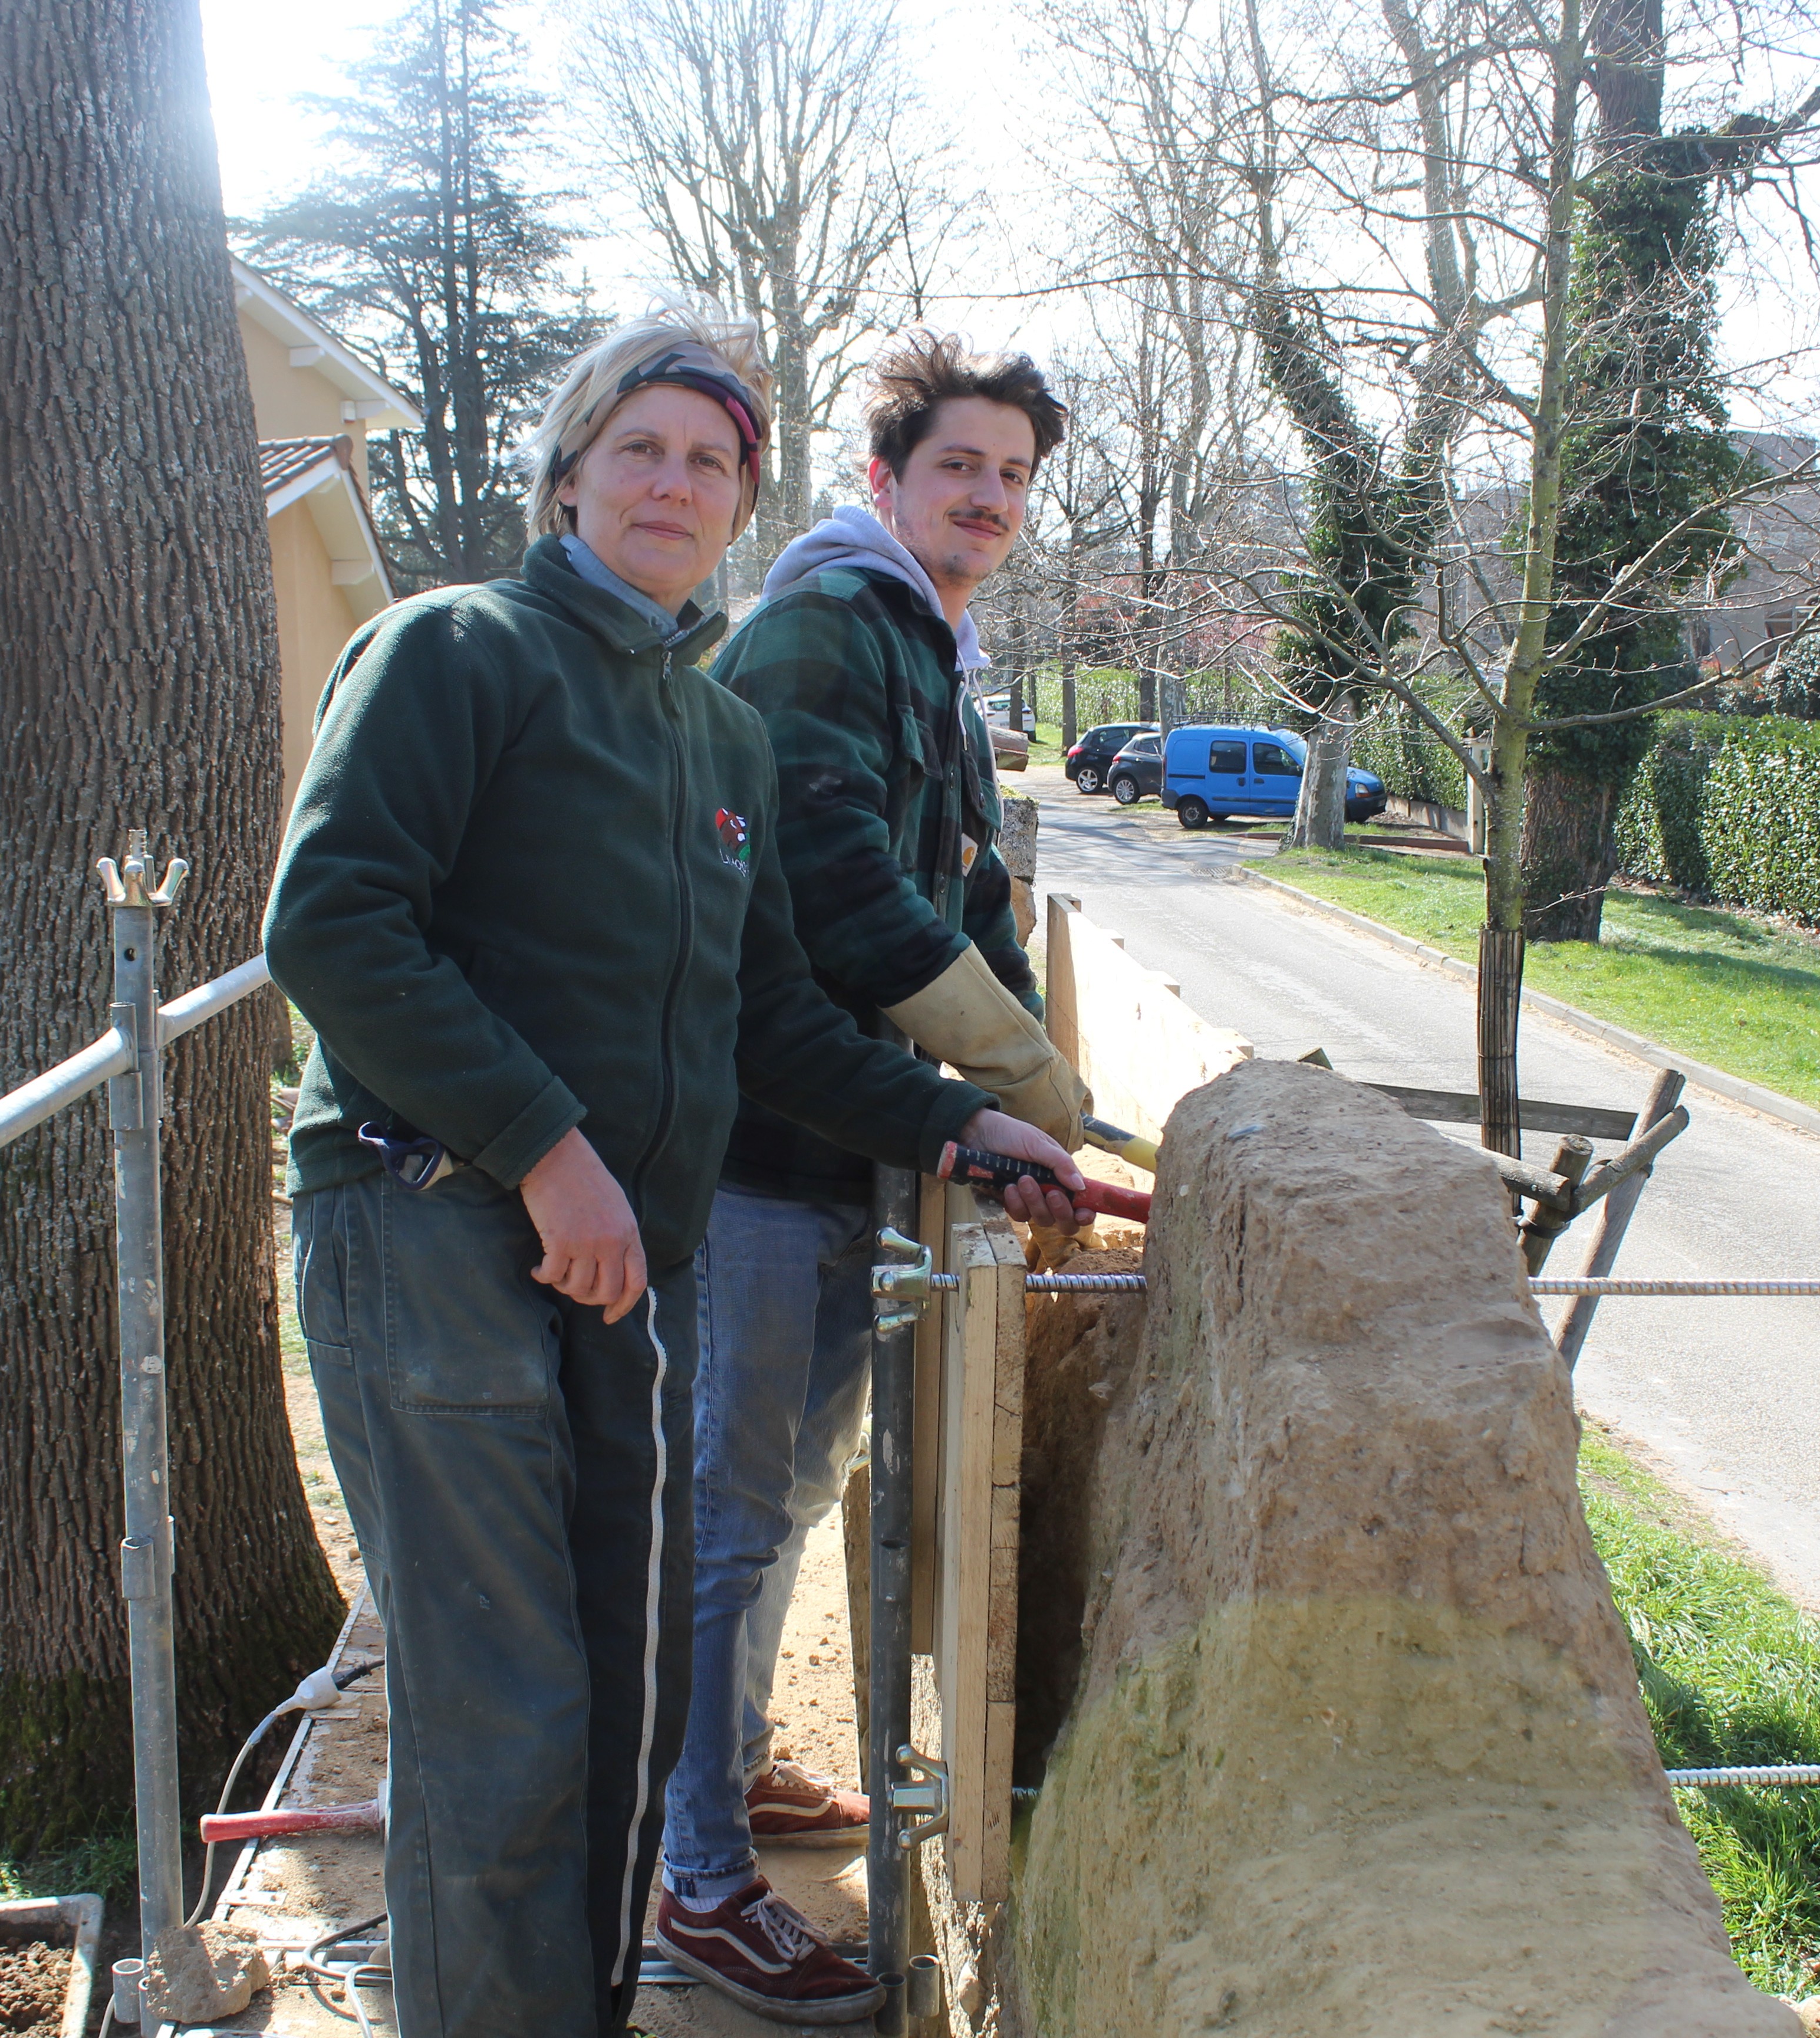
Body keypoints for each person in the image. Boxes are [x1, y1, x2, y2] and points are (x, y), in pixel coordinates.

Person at [262, 309, 1085, 2038]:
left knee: (623, 1698)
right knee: (502, 1710)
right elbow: (332, 924)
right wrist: (550, 1152)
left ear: (742, 502)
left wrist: (959, 1123)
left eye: (710, 460)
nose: (675, 482)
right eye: (639, 447)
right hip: (428, 1221)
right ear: (567, 476)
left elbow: (769, 1011)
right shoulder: (454, 653)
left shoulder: (707, 738)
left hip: (619, 1267)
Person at [651, 333, 1077, 2022]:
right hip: (762, 1151)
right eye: (961, 467)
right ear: (888, 480)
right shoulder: (832, 623)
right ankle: (692, 1882)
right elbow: (834, 894)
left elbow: (963, 893)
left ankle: (729, 1770)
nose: (989, 498)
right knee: (731, 1525)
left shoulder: (930, 644)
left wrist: (1044, 1069)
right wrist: (1007, 1076)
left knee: (783, 1495)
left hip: (852, 1145)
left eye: (1015, 477)